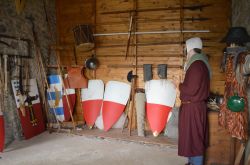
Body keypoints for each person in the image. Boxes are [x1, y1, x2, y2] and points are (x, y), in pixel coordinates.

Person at [177, 37, 212, 165]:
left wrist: (179, 85)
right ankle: (191, 163)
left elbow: (190, 90)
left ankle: (195, 163)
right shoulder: (198, 63)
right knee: (191, 139)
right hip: (193, 108)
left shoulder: (197, 65)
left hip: (194, 109)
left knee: (195, 141)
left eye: (186, 48)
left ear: (189, 48)